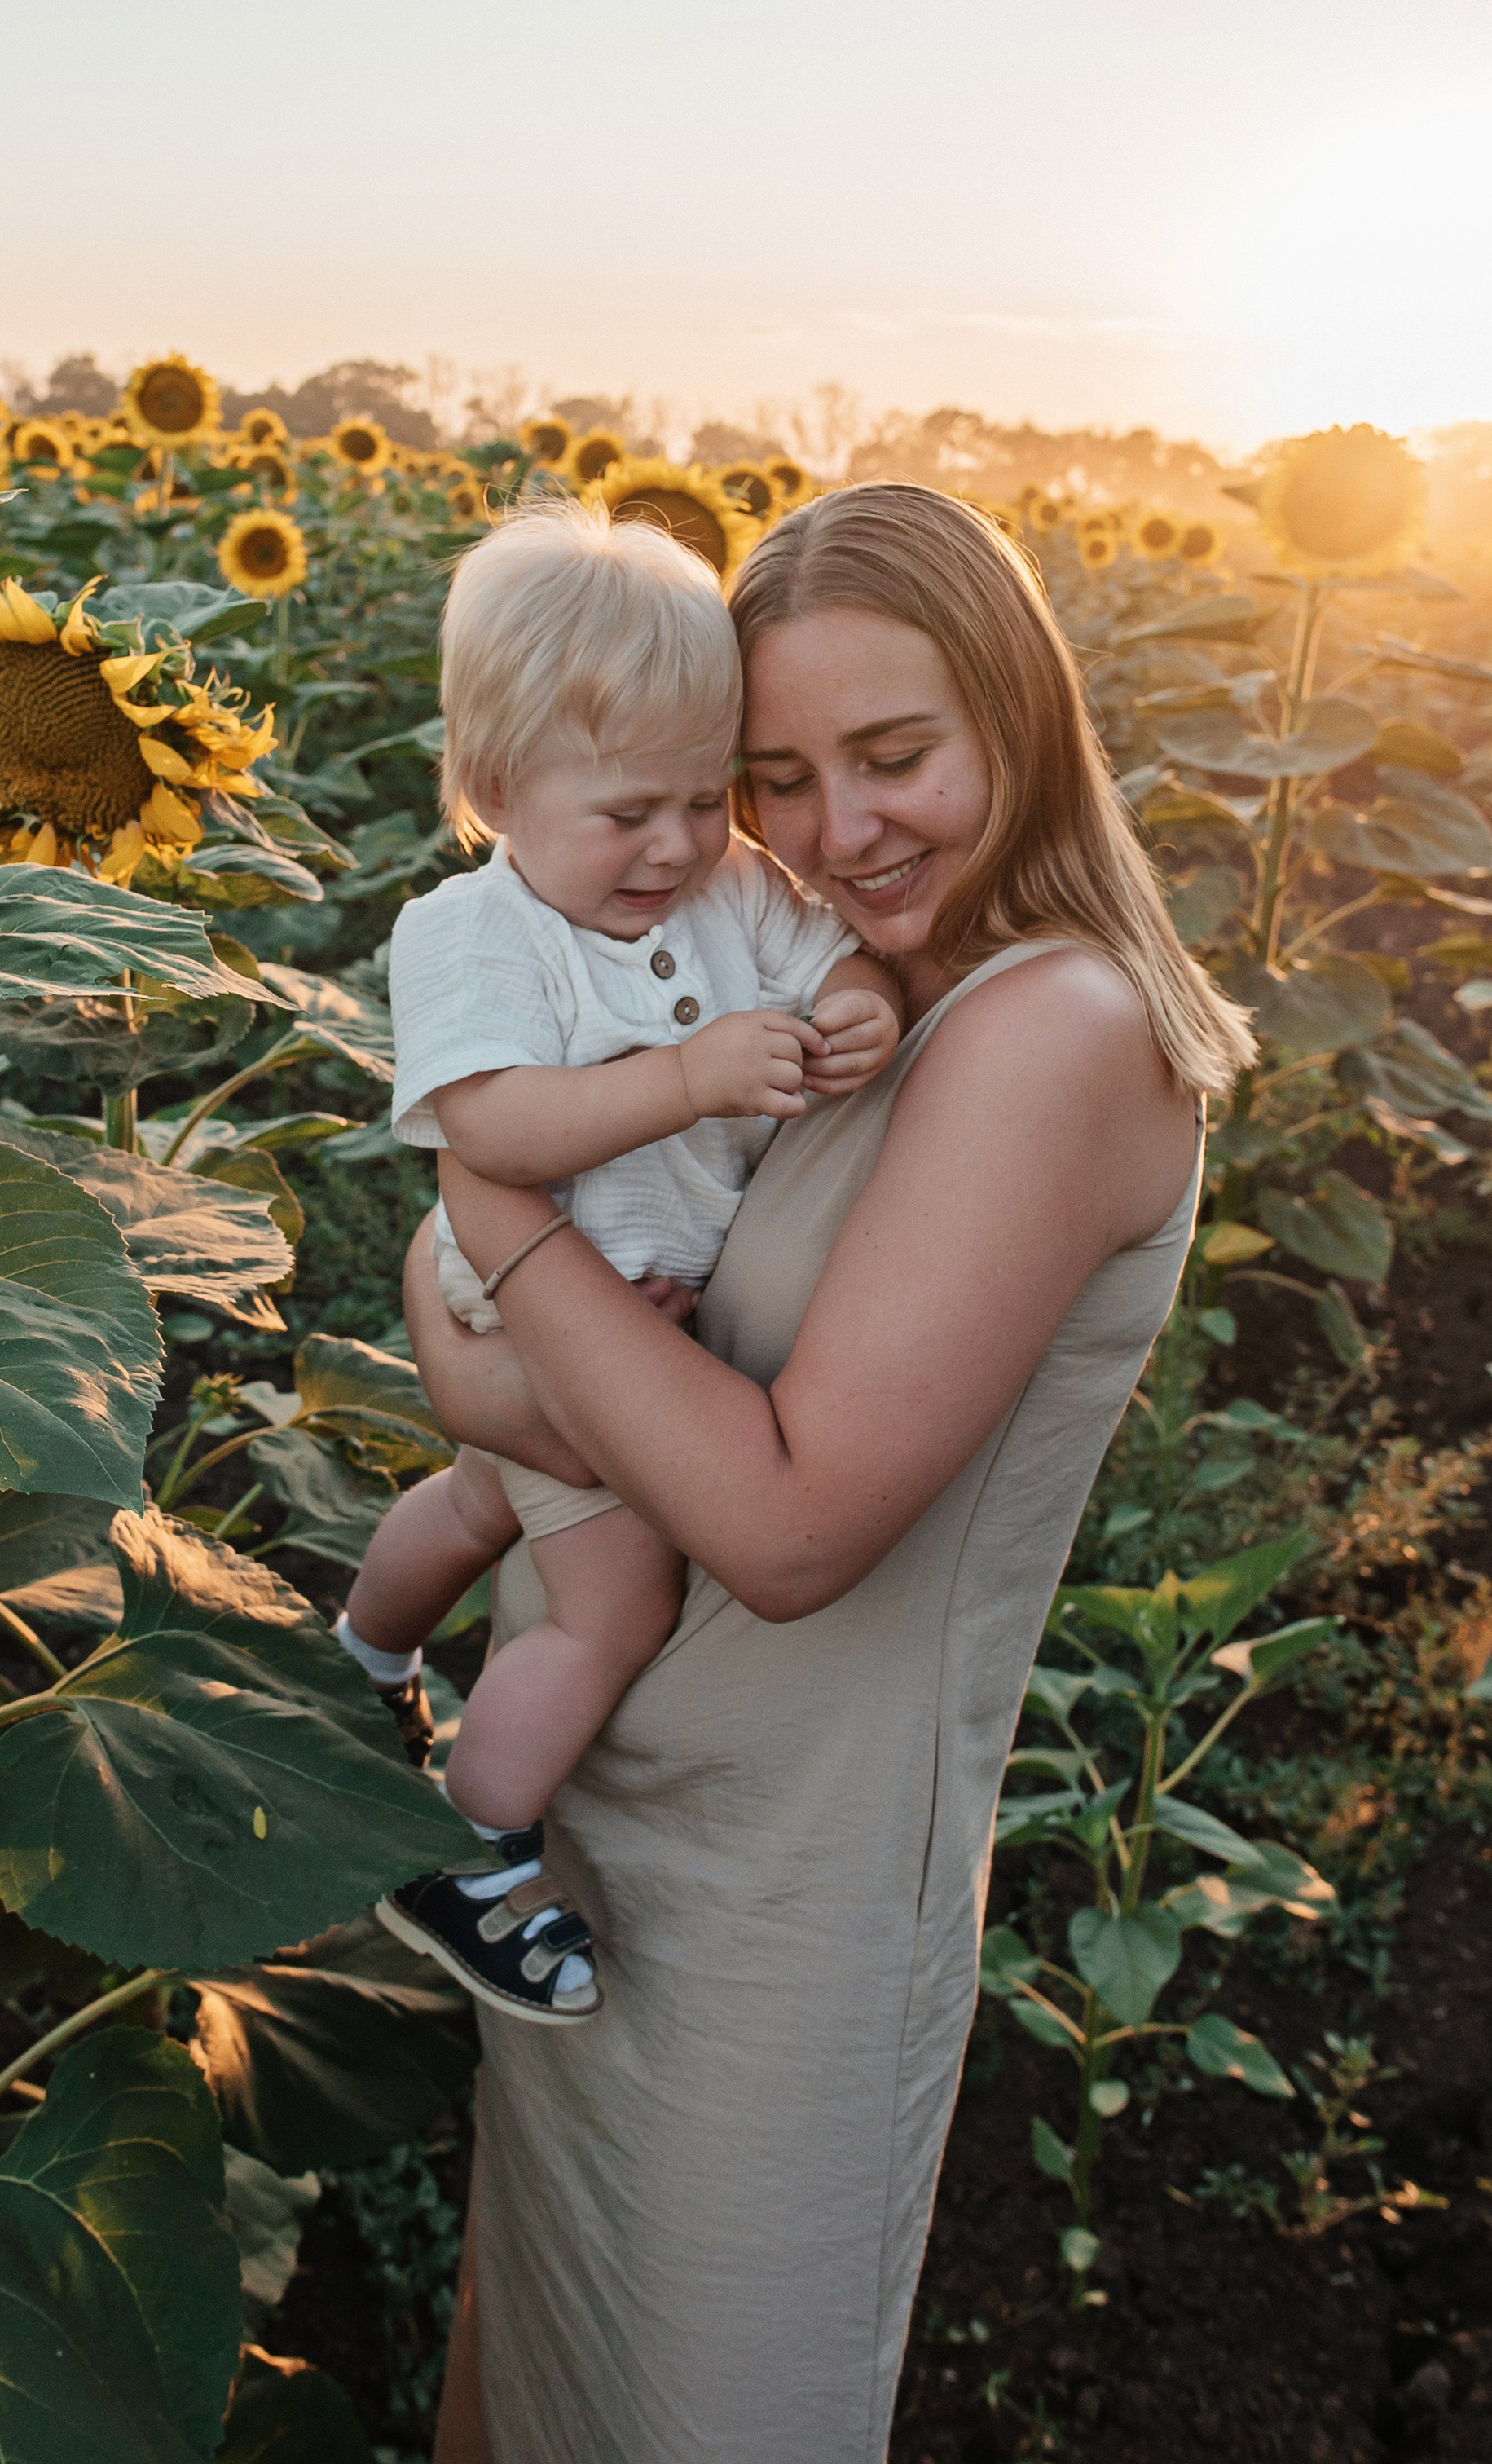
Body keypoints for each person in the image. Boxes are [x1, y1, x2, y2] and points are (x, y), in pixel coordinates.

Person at [403, 483, 1256, 2464]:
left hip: (782, 1906)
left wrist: (491, 1205)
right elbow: (499, 1373)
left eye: (893, 756)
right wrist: (517, 1286)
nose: (835, 827)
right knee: (526, 2387)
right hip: (608, 1837)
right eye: (771, 776)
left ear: (1017, 717)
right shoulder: (838, 996)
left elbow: (780, 1524)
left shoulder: (1049, 1029)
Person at [332, 500, 902, 2024]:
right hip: (539, 1316)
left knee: (478, 1495)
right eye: (627, 812)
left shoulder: (725, 893)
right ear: (504, 787)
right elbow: (490, 1130)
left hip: (628, 1316)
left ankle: (364, 1648)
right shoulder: (470, 933)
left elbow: (822, 960)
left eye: (703, 801)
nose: (675, 846)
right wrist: (691, 1080)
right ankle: (462, 1843)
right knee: (611, 1604)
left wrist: (860, 1007)